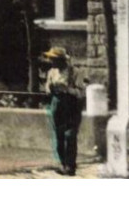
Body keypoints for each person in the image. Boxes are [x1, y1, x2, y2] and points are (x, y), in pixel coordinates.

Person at [42, 47, 84, 175]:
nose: (51, 62)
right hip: (57, 104)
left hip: (71, 105)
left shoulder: (75, 72)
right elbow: (47, 90)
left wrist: (68, 89)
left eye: (54, 59)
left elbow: (81, 92)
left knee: (70, 135)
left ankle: (71, 166)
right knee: (59, 135)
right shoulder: (51, 72)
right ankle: (63, 164)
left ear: (61, 60)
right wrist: (50, 88)